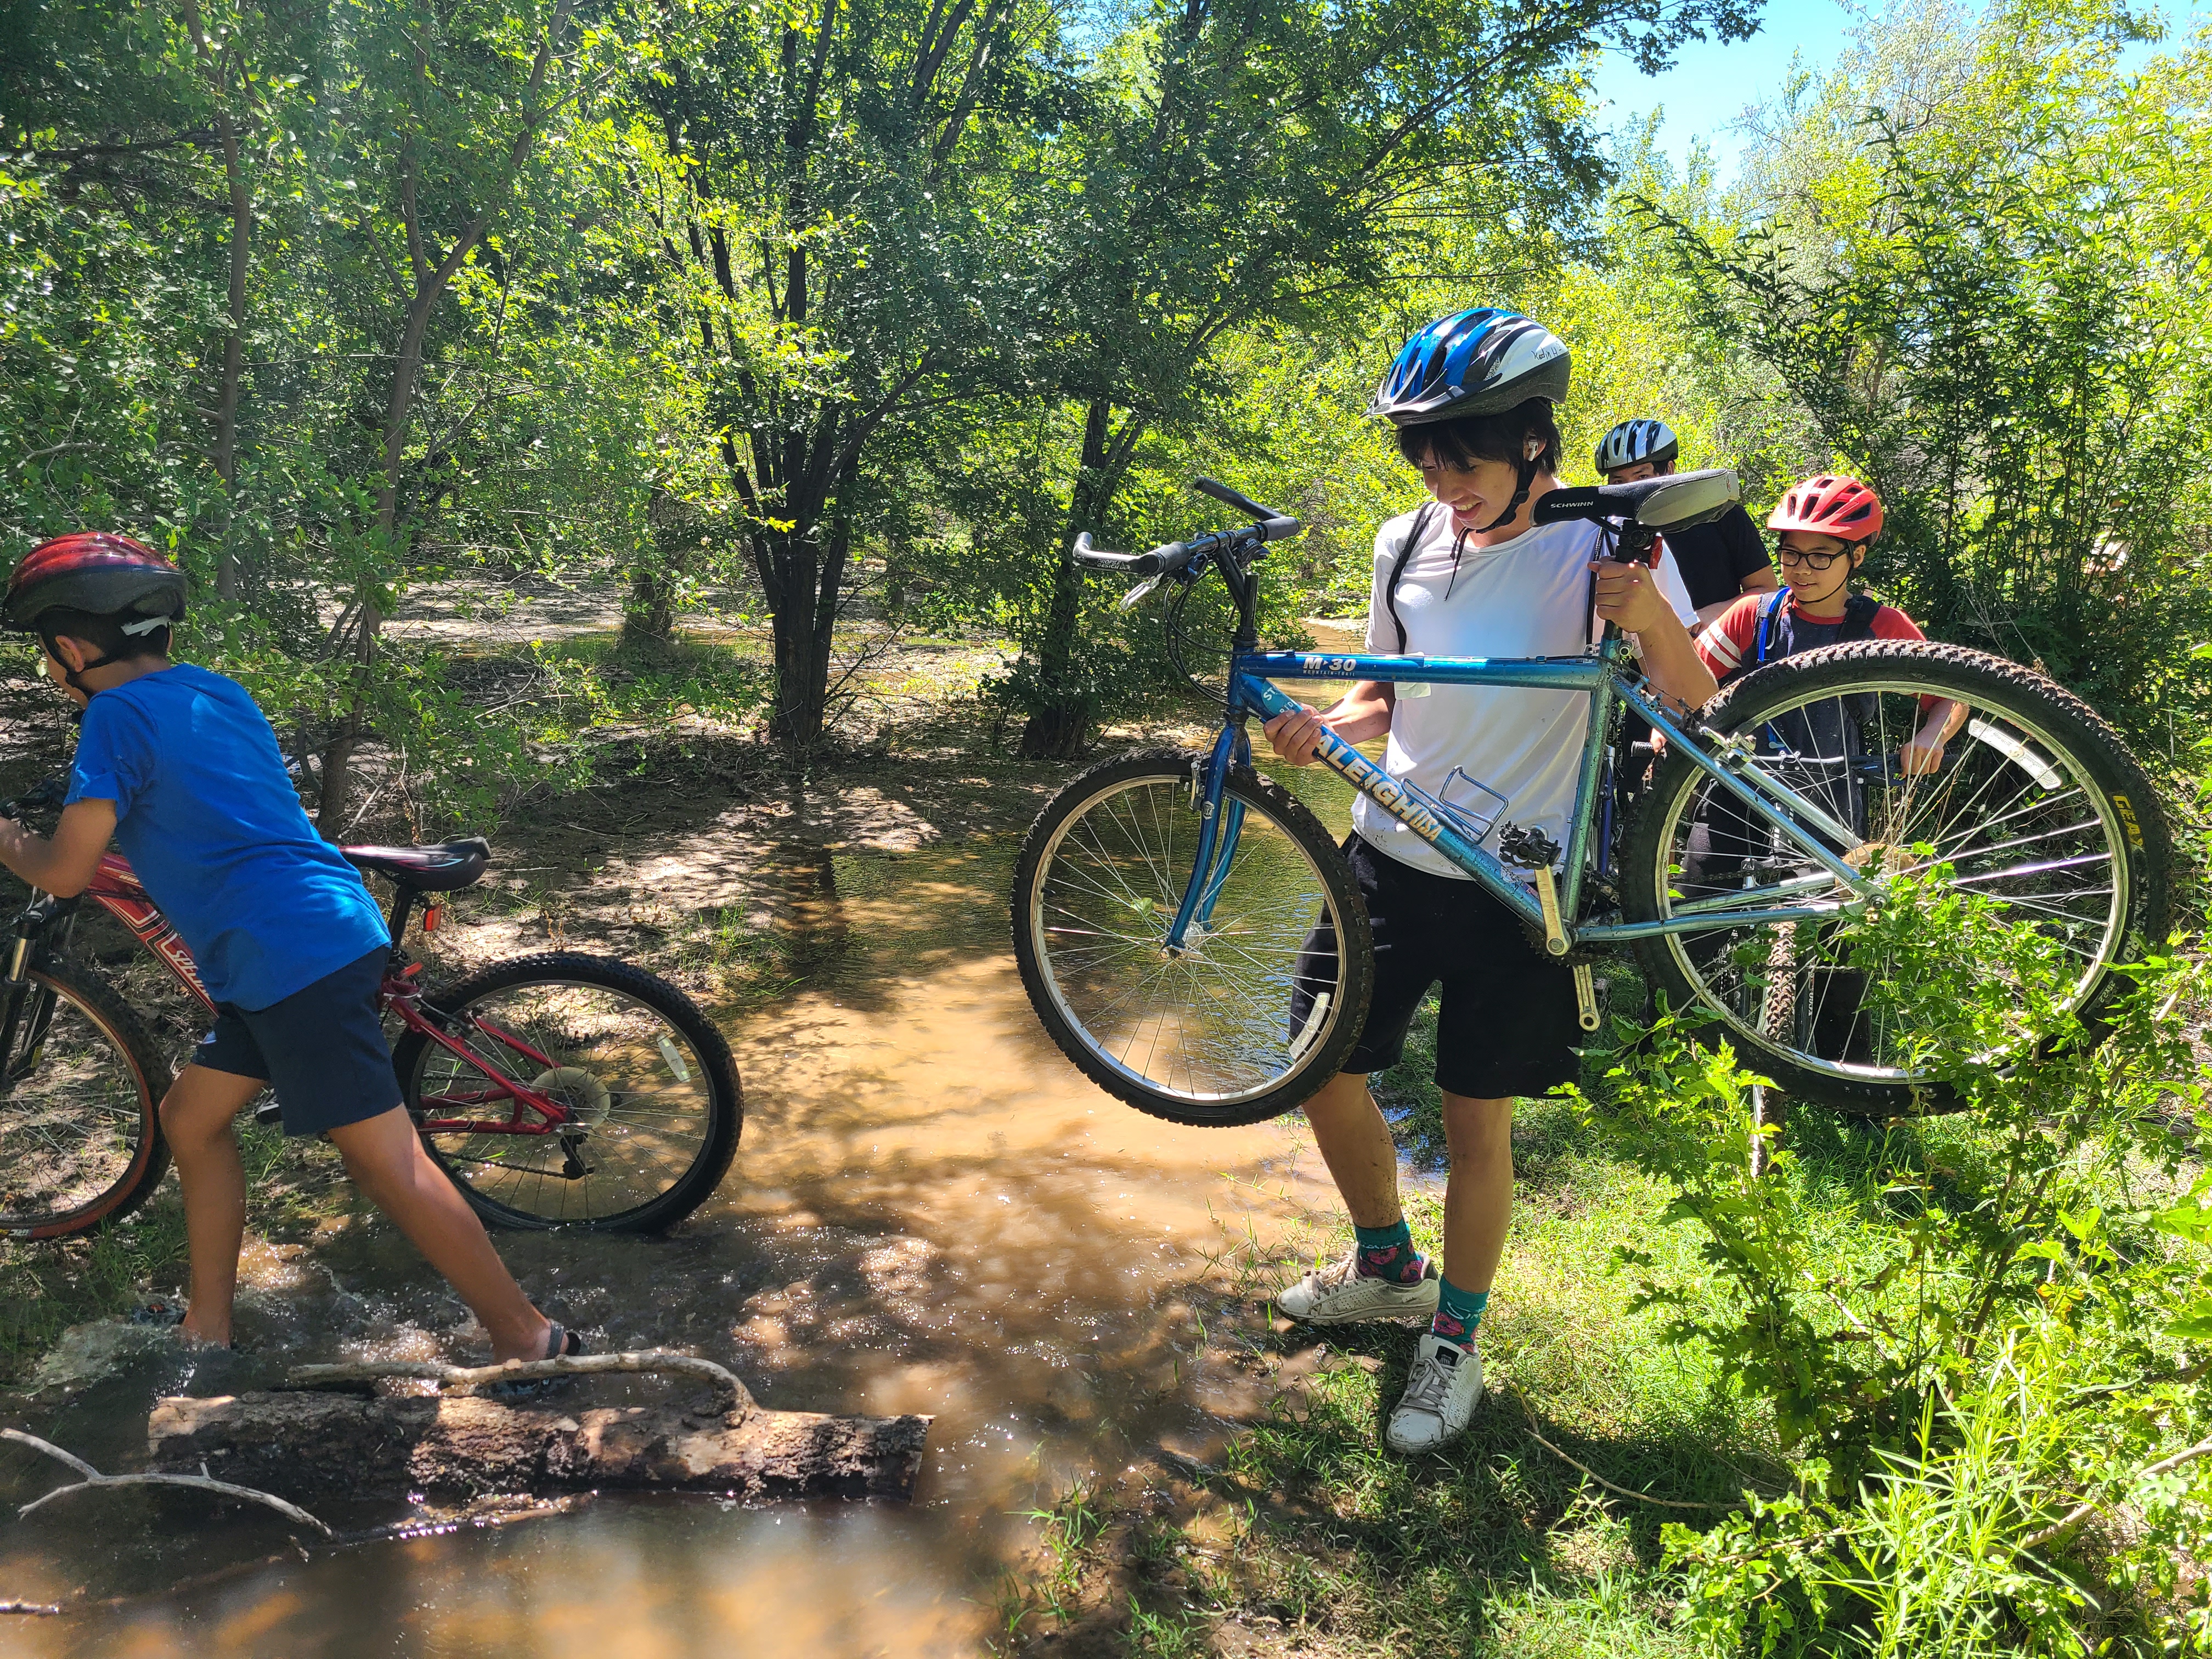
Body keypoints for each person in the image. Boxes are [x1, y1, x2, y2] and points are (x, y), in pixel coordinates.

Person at [1259, 310, 1718, 1454]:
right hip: (1388, 850)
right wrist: (1330, 728)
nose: (1438, 477)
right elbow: (1388, 695)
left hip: (1520, 884)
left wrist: (1649, 612)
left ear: (1529, 439)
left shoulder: (1598, 547)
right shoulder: (1402, 543)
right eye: (1419, 453)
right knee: (1322, 1074)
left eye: (1458, 453)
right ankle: (1387, 1267)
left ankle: (1453, 1340)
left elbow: (1694, 699)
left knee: (1475, 1124)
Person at [0, 532, 579, 1363]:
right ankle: (209, 1328)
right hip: (296, 940)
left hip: (289, 957)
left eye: (44, 655)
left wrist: (11, 840)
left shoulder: (114, 718)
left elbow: (63, 872)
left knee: (390, 1167)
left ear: (68, 647)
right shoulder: (215, 691)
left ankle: (530, 1338)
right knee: (190, 1121)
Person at [1682, 474, 1960, 895]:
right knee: (1698, 914)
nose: (1801, 569)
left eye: (1821, 557)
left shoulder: (1881, 627)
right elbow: (1683, 682)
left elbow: (1951, 696)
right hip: (1735, 791)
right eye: (1791, 554)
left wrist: (1931, 737)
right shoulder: (1752, 616)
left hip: (1831, 801)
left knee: (1831, 937)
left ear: (1857, 556)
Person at [1595, 418, 1778, 627]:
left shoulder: (1720, 514)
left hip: (1718, 648)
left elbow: (1766, 591)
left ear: (1669, 470)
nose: (1631, 490)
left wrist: (1710, 616)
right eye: (1618, 482)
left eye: (1642, 476)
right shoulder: (1609, 531)